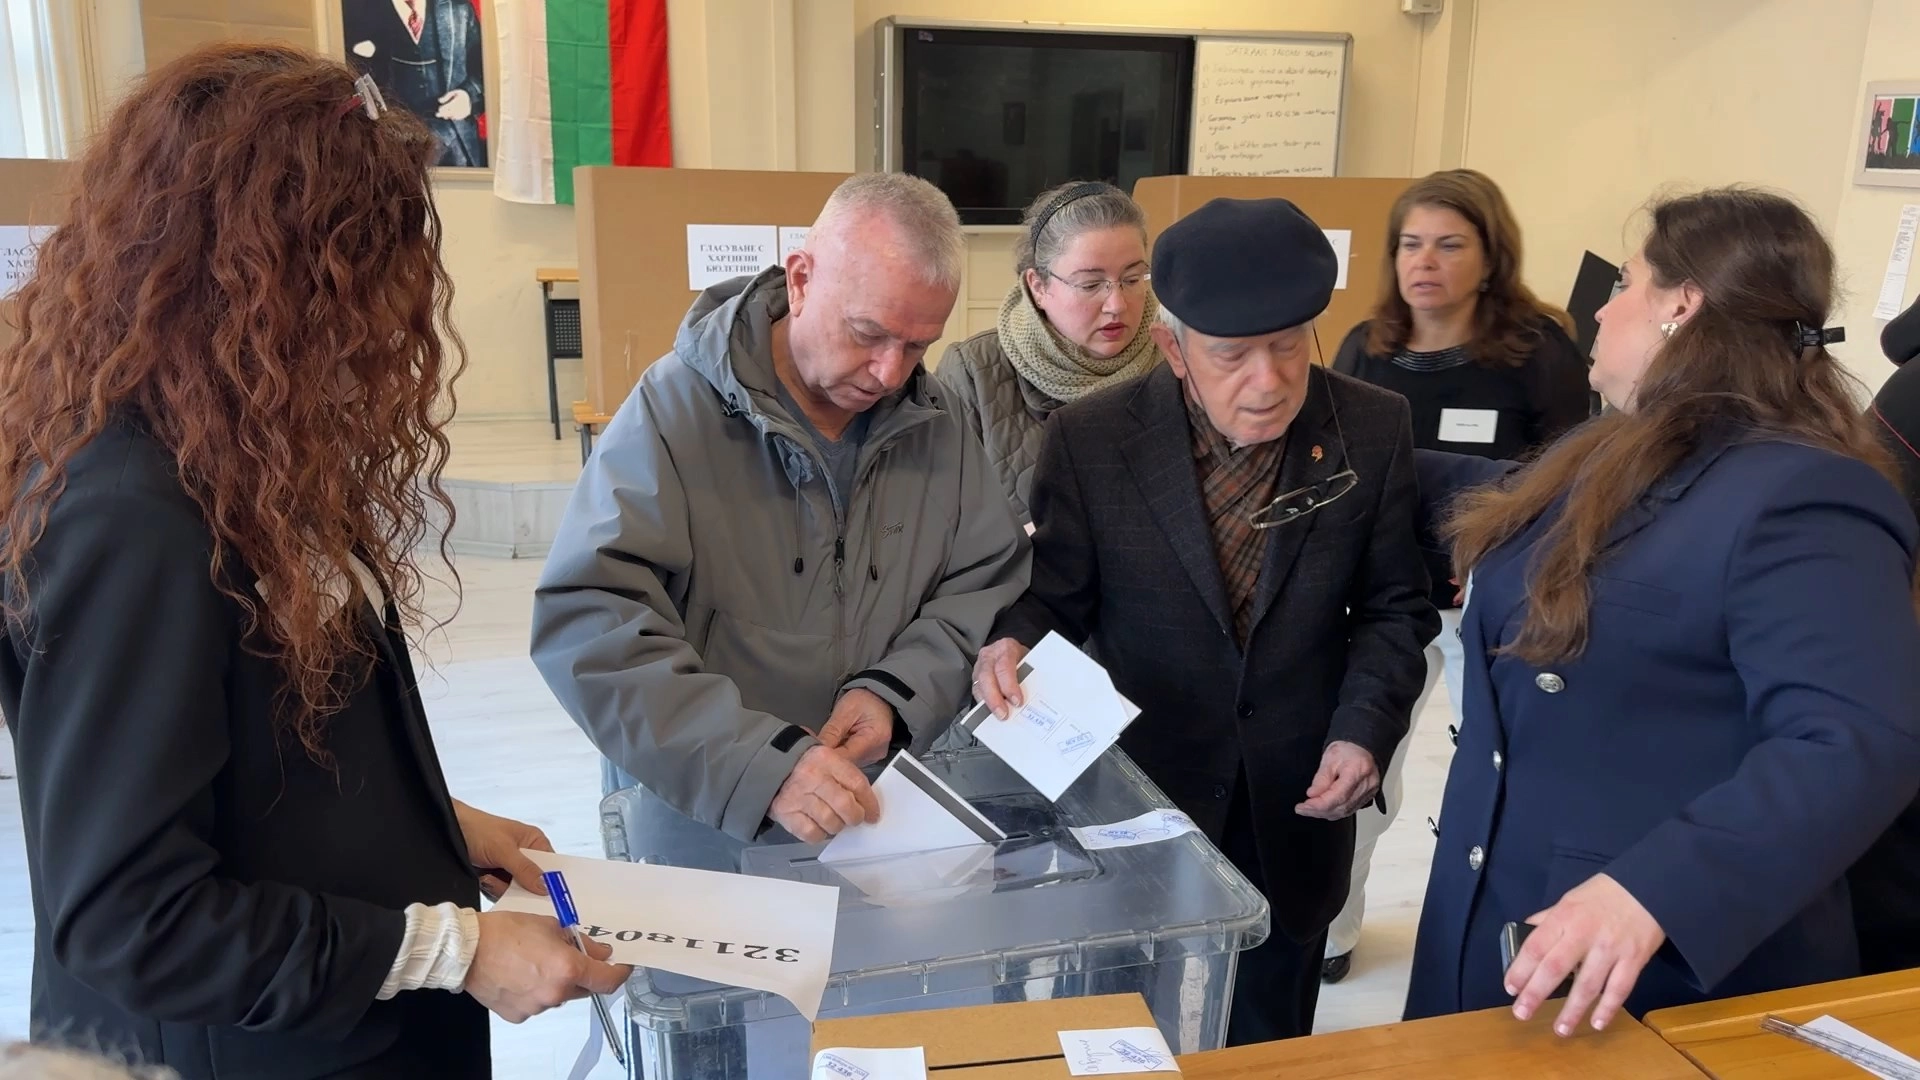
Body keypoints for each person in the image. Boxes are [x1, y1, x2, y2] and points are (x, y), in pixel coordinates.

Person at [0, 45, 627, 1080]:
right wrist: (458, 950)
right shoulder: (125, 518)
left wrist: (435, 823)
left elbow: (259, 759)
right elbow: (132, 918)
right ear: (251, 275)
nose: (394, 313)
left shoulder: (243, 452)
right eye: (362, 271)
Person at [1402, 188, 1920, 1035]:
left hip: (1651, 963)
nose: (1602, 310)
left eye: (1624, 283)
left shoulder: (1807, 495)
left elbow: (1854, 741)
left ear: (1683, 305)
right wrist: (1349, 430)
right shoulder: (1619, 445)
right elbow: (1511, 502)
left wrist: (1654, 892)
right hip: (1507, 906)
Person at [972, 197, 1439, 1044]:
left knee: (1269, 1040)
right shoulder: (1091, 439)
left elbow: (1394, 608)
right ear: (1173, 349)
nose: (1269, 380)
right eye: (1231, 355)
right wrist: (1010, 639)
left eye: (1289, 346)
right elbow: (1057, 597)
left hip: (1293, 804)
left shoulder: (1371, 426)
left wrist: (1364, 732)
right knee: (1122, 1034)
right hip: (1142, 796)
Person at [531, 173, 1029, 847]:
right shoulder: (673, 411)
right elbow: (591, 622)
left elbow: (981, 586)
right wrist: (757, 766)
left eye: (917, 345)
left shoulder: (936, 423)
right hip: (705, 810)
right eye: (868, 333)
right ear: (800, 280)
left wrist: (896, 692)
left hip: (870, 818)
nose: (889, 372)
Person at [1323, 168, 1592, 984]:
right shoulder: (1366, 349)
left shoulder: (1539, 352)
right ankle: (1332, 931)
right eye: (1410, 244)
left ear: (1490, 255)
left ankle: (1500, 934)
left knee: (1500, 765)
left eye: (1448, 244)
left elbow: (1567, 482)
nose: (1425, 262)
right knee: (1359, 761)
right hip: (1385, 596)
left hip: (1497, 596)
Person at [935, 181, 1159, 527]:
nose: (1117, 305)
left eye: (1132, 279)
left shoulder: (1176, 359)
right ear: (1038, 286)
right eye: (1090, 285)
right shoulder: (973, 372)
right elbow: (938, 520)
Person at [342, 0, 486, 166]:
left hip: (458, 149)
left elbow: (487, 70)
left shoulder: (459, 9)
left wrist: (468, 97)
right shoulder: (354, 12)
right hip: (391, 153)